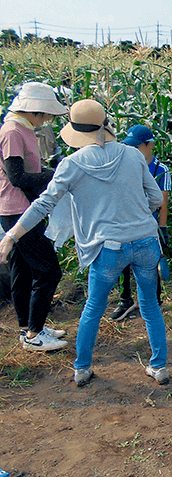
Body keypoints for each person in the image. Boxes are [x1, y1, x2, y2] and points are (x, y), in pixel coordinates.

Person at [0, 99, 168, 386]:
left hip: (107, 247)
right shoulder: (132, 156)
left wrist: (12, 235)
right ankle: (159, 367)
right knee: (150, 304)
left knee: (93, 307)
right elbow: (155, 198)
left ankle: (82, 369)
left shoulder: (72, 164)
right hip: (145, 241)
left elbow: (43, 205)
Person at [0, 82, 68, 352]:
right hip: (17, 209)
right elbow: (17, 177)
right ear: (35, 110)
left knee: (23, 270)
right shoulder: (12, 132)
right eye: (46, 114)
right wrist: (57, 174)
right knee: (50, 271)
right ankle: (35, 335)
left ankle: (28, 326)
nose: (48, 119)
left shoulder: (22, 129)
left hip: (20, 206)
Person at [110, 124, 171, 321]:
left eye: (137, 146)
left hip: (148, 226)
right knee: (122, 263)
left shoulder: (160, 169)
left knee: (150, 264)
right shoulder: (124, 165)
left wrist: (162, 228)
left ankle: (154, 301)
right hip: (125, 223)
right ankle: (125, 300)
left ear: (149, 144)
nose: (133, 150)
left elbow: (162, 202)